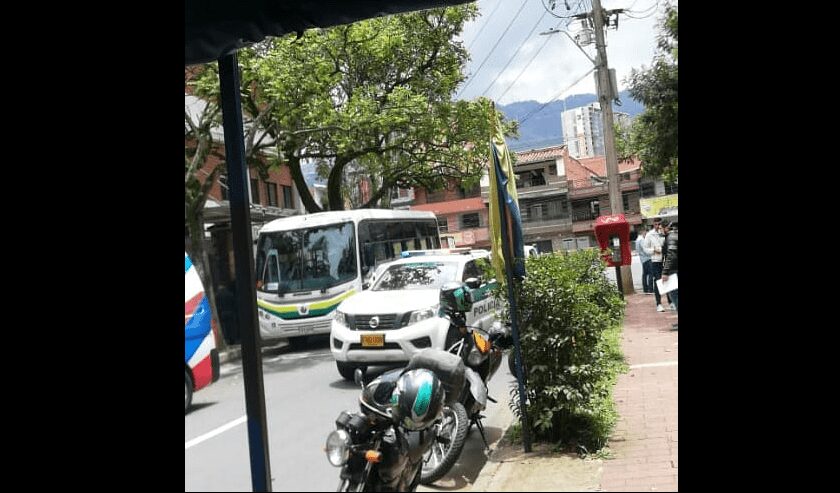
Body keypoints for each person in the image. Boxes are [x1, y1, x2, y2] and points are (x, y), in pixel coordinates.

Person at [643, 218, 670, 312]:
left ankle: (671, 302)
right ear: (653, 225)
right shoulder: (650, 235)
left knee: (668, 281)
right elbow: (645, 249)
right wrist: (654, 250)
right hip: (656, 261)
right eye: (656, 224)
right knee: (658, 281)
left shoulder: (665, 233)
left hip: (666, 260)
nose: (658, 226)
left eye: (659, 224)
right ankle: (659, 304)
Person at [661, 222, 678, 330]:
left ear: (668, 228)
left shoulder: (671, 237)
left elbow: (671, 255)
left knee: (675, 296)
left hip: (673, 271)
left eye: (663, 228)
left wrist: (665, 272)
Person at [636, 227, 653, 294]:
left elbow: (638, 250)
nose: (646, 233)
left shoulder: (637, 239)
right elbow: (645, 250)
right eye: (646, 232)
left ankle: (645, 289)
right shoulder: (642, 239)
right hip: (647, 258)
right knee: (651, 274)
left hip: (642, 259)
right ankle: (650, 289)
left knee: (645, 274)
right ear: (643, 231)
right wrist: (652, 251)